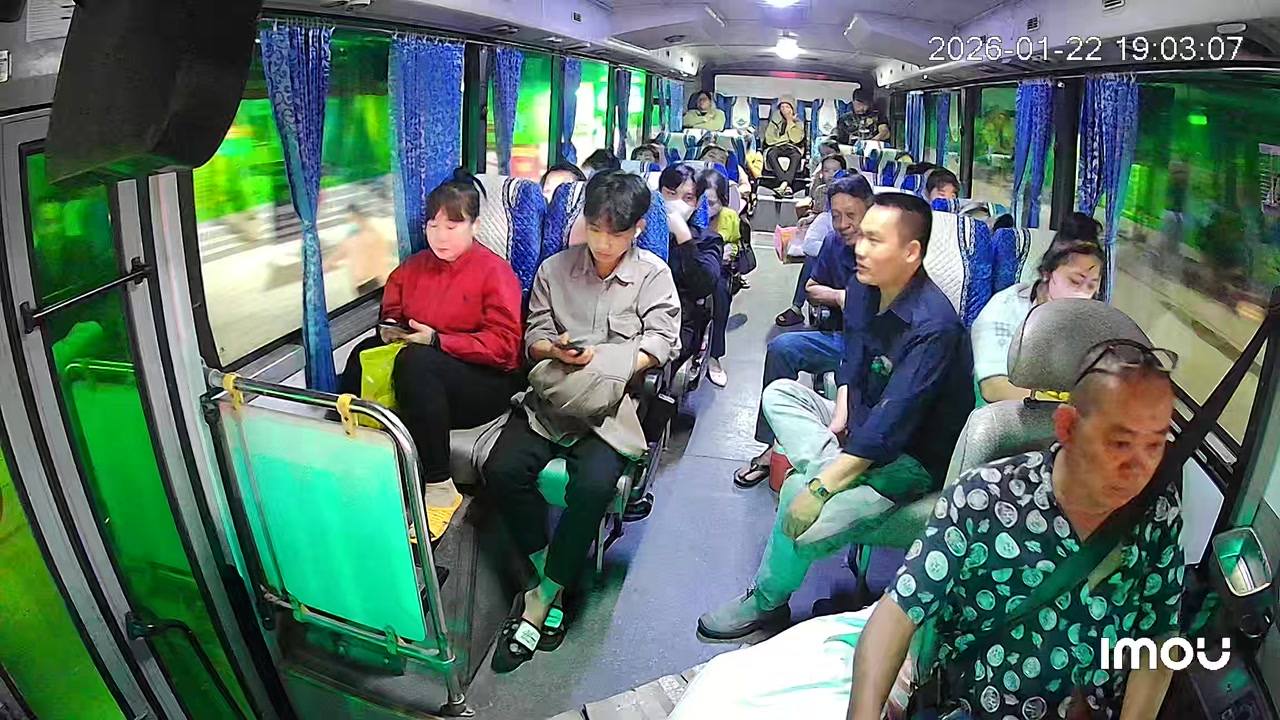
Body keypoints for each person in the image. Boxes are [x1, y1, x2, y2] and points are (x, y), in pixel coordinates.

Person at [849, 340, 1182, 720]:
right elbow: (897, 613)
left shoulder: (1157, 511)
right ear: (1068, 427)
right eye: (1120, 443)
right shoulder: (984, 497)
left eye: (1154, 445)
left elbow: (1159, 636)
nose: (1138, 468)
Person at [705, 193, 975, 640]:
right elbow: (854, 356)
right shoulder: (866, 289)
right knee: (780, 395)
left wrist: (819, 488)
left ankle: (766, 603)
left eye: (874, 240)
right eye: (861, 236)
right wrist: (843, 408)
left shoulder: (934, 328)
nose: (859, 248)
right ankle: (829, 466)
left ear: (911, 252)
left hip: (907, 460)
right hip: (859, 428)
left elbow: (891, 427)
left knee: (798, 501)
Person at [483, 171, 680, 673]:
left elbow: (662, 342)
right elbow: (534, 336)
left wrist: (605, 364)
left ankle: (539, 598)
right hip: (551, 399)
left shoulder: (653, 275)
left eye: (616, 233)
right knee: (502, 468)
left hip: (613, 408)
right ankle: (548, 583)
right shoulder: (555, 268)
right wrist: (555, 350)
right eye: (595, 229)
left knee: (593, 486)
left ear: (638, 228)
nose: (603, 242)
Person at [337, 169, 523, 540]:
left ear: (475, 226)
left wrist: (438, 341)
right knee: (361, 354)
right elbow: (392, 312)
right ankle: (353, 462)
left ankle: (440, 487)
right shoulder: (411, 269)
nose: (440, 236)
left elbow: (504, 348)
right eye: (433, 226)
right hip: (424, 378)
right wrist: (391, 329)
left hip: (482, 383)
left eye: (453, 226)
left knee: (417, 363)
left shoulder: (495, 273)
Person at [972, 213, 1104, 403]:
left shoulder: (1096, 320)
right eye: (1075, 281)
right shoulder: (1007, 308)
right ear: (1046, 273)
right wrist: (1067, 410)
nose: (1084, 294)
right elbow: (994, 387)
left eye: (1092, 285)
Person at [658, 164, 725, 381]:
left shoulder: (708, 240)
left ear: (696, 203)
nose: (677, 203)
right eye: (670, 194)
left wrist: (684, 238)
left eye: (687, 198)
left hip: (679, 317)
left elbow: (704, 285)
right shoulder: (638, 230)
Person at [771, 172, 861, 332]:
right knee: (783, 345)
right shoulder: (831, 236)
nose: (843, 224)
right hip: (840, 323)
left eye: (851, 214)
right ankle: (797, 307)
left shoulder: (883, 244)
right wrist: (839, 296)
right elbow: (812, 286)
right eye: (836, 216)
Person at [696, 167, 740, 387]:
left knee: (720, 295)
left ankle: (714, 356)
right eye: (702, 201)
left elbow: (735, 243)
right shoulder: (689, 214)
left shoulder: (729, 217)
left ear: (723, 200)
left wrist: (728, 251)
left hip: (718, 269)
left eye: (712, 203)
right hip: (693, 264)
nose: (706, 208)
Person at [323, 204, 393, 296]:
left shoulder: (360, 238)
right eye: (349, 220)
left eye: (352, 219)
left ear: (359, 218)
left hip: (370, 282)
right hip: (372, 282)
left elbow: (334, 258)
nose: (351, 223)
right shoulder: (372, 236)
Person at [764, 97, 806, 197]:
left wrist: (789, 121)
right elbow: (769, 140)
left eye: (787, 107)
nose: (784, 110)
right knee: (771, 154)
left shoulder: (798, 123)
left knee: (796, 156)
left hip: (792, 147)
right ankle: (786, 185)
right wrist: (786, 139)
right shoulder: (774, 123)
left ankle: (783, 184)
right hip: (775, 147)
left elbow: (796, 139)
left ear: (792, 109)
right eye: (782, 107)